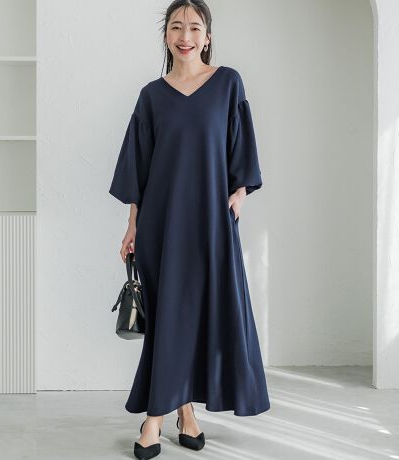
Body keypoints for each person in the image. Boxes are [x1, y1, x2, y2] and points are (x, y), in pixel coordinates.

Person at [109, 1, 271, 458]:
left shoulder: (227, 83)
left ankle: (176, 414)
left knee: (198, 316)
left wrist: (239, 195)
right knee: (169, 318)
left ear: (207, 36)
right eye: (176, 27)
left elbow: (242, 146)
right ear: (166, 36)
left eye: (194, 27)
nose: (185, 36)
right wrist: (132, 225)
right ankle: (163, 417)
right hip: (161, 224)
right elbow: (139, 168)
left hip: (211, 223)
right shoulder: (151, 96)